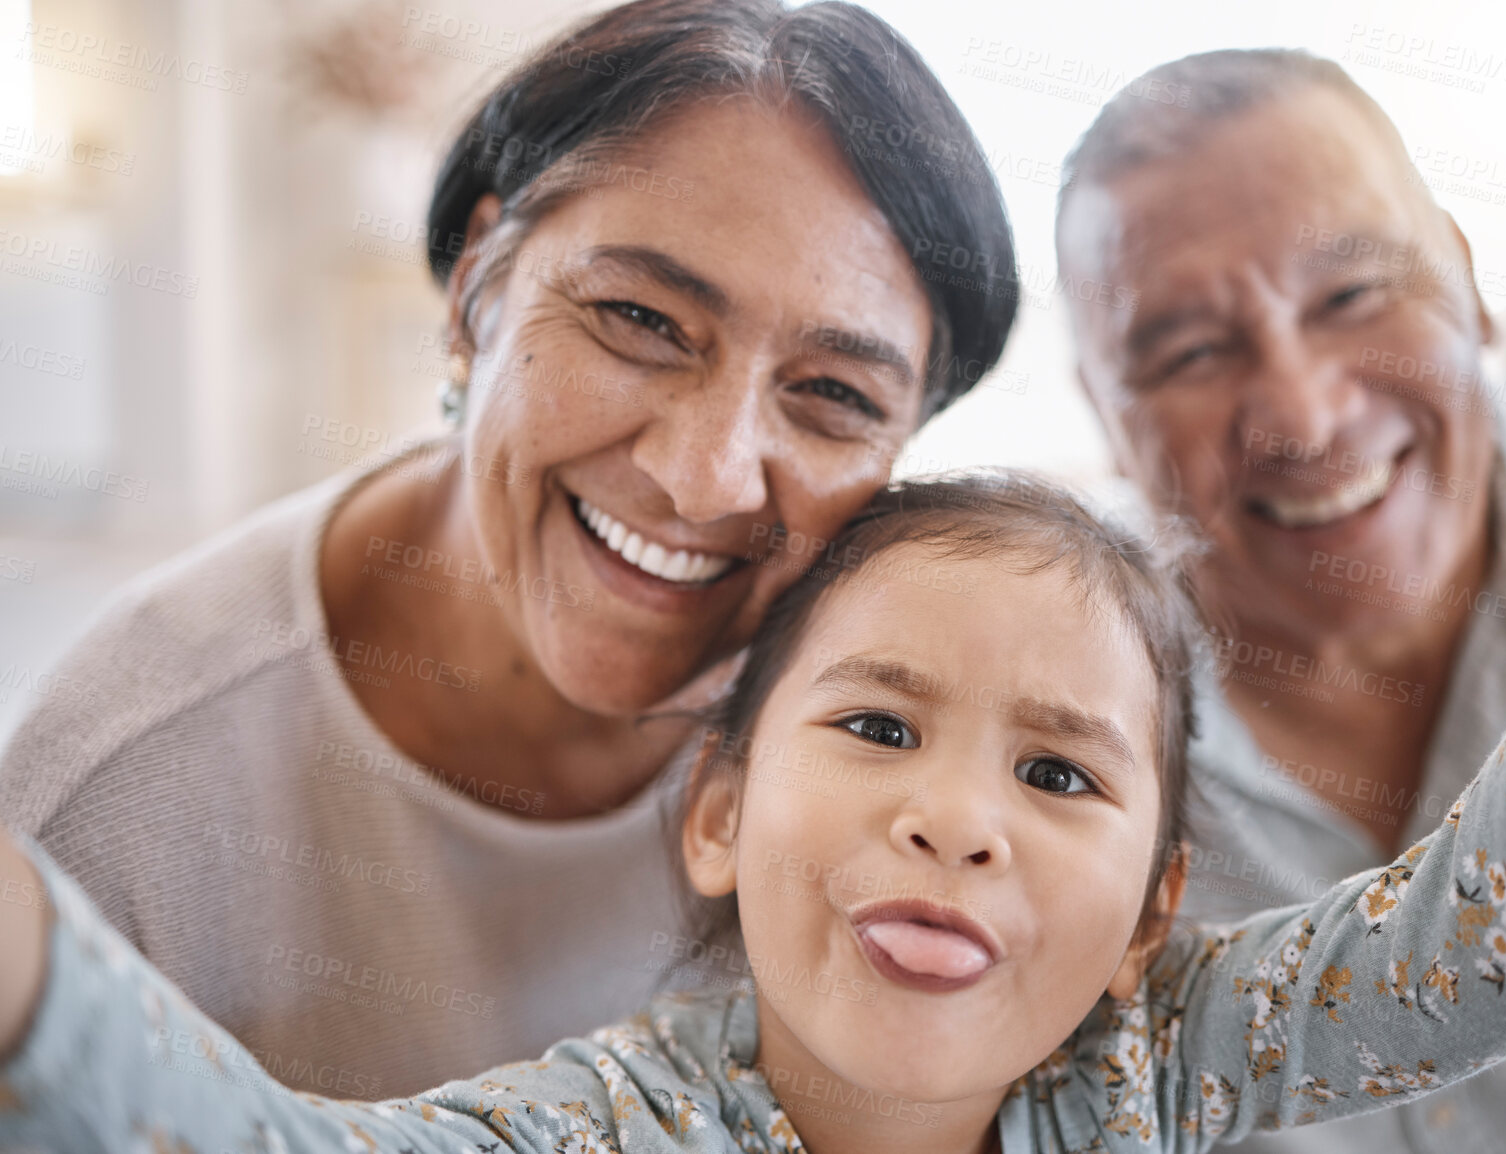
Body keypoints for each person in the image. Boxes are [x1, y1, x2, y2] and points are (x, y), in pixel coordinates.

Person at [3, 456, 1506, 1154]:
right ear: (716, 814)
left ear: (1150, 908)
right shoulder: (614, 1127)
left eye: (1058, 771)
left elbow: (1503, 925)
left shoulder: (1157, 1058)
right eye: (880, 724)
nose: (959, 818)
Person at [0, 0, 1018, 1099]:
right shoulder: (117, 800)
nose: (705, 475)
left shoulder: (929, 771)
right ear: (480, 282)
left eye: (832, 393)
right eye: (641, 318)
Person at [1056, 49, 1506, 1152]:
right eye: (1189, 351)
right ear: (1101, 408)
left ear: (1466, 278)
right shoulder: (1040, 702)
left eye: (1356, 294)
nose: (1307, 419)